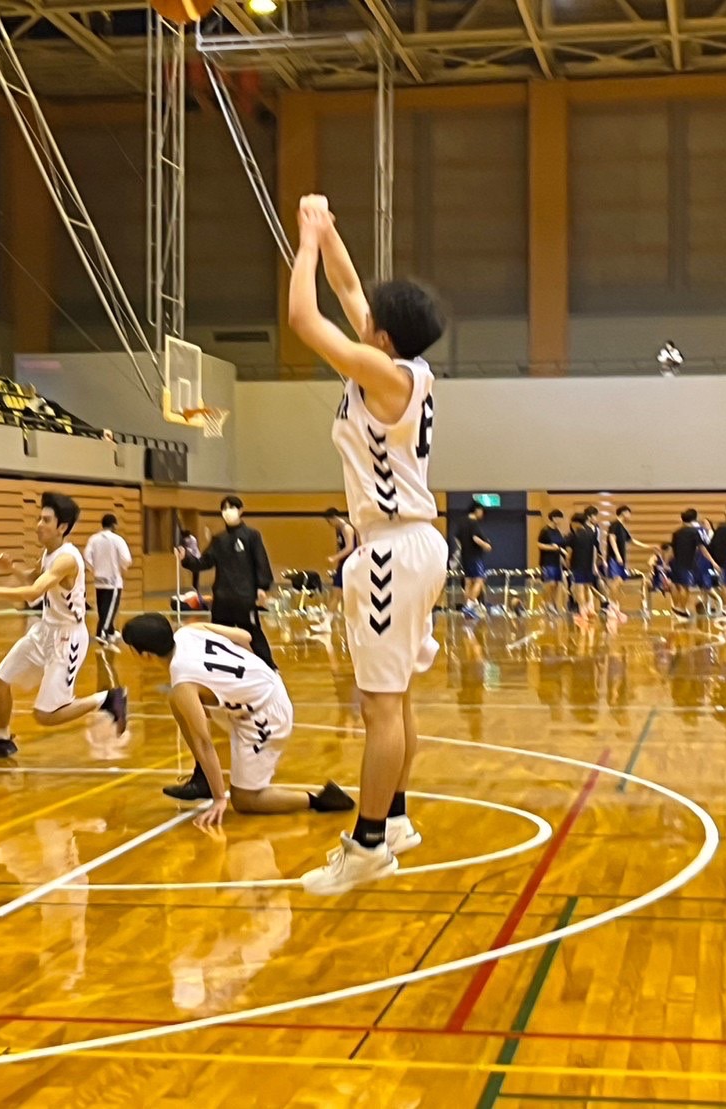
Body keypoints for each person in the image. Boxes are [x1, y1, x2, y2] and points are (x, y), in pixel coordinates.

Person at [287, 193, 449, 894]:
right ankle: (399, 815)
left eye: (371, 322)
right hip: (409, 545)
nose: (364, 315)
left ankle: (368, 844)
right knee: (397, 698)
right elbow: (349, 288)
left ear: (382, 336)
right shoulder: (397, 365)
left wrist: (300, 244)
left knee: (379, 706)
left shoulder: (384, 378)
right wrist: (327, 230)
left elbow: (302, 318)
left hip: (390, 554)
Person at [122, 613, 355, 821]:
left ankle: (319, 799)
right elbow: (244, 636)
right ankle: (204, 778)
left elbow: (204, 742)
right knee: (176, 701)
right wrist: (249, 677)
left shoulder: (183, 681)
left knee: (245, 801)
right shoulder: (188, 631)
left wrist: (219, 798)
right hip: (268, 684)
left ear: (145, 655)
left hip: (266, 714)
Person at [0, 492, 128, 759]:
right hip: (44, 630)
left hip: (67, 640)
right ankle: (1, 740)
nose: (38, 525)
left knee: (45, 715)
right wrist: (10, 568)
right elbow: (34, 576)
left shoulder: (67, 559)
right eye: (39, 518)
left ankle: (107, 699)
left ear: (62, 527)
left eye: (46, 520)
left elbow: (33, 592)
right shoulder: (49, 553)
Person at [178, 495, 276, 669]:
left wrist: (262, 588)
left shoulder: (252, 536)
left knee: (252, 630)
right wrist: (187, 559)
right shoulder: (219, 540)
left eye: (231, 507)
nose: (227, 512)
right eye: (224, 508)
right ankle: (220, 666)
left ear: (240, 510)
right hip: (223, 596)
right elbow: (204, 562)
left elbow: (261, 561)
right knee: (219, 633)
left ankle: (268, 666)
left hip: (245, 597)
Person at [84, 513, 133, 652]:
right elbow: (126, 558)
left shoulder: (93, 539)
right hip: (113, 581)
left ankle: (110, 631)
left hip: (99, 581)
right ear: (114, 525)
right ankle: (102, 633)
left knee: (102, 608)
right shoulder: (117, 540)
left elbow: (87, 556)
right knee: (110, 608)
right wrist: (123, 567)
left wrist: (93, 570)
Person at [312, 507, 357, 635]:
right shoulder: (338, 530)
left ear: (333, 518)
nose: (329, 524)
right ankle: (327, 623)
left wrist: (334, 558)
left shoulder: (346, 528)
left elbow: (350, 548)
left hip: (350, 564)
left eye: (329, 521)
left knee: (340, 594)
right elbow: (341, 549)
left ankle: (328, 623)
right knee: (336, 594)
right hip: (343, 565)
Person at [669, 510, 720, 618]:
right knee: (685, 587)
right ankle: (681, 609)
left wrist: (667, 563)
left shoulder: (676, 533)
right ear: (694, 519)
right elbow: (703, 549)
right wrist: (713, 562)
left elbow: (672, 551)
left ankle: (678, 607)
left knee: (679, 586)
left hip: (676, 562)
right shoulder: (695, 532)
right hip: (687, 563)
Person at [606, 506, 650, 617]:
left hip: (621, 560)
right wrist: (617, 555)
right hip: (614, 558)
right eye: (629, 513)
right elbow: (612, 539)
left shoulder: (622, 527)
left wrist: (648, 546)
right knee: (616, 581)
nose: (630, 516)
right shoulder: (615, 525)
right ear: (624, 513)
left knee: (619, 582)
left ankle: (615, 606)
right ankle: (612, 607)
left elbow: (632, 540)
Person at [455, 500, 492, 619]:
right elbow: (475, 538)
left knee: (468, 582)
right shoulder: (473, 523)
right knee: (479, 580)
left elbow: (457, 539)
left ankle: (467, 607)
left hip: (465, 556)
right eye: (481, 511)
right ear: (477, 510)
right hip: (475, 556)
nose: (482, 514)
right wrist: (486, 545)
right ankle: (470, 606)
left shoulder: (461, 523)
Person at [567, 512, 601, 622]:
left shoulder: (573, 535)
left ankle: (582, 613)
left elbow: (570, 552)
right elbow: (595, 549)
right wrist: (594, 564)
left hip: (577, 565)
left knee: (579, 588)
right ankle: (589, 610)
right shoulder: (591, 533)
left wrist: (568, 562)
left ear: (576, 523)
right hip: (589, 565)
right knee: (587, 587)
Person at [537, 509, 568, 615]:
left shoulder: (558, 531)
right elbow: (539, 544)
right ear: (554, 518)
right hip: (547, 561)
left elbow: (561, 546)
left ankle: (553, 604)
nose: (560, 520)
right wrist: (551, 547)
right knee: (550, 583)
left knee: (556, 584)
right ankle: (547, 603)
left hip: (557, 561)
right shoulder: (545, 530)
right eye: (559, 518)